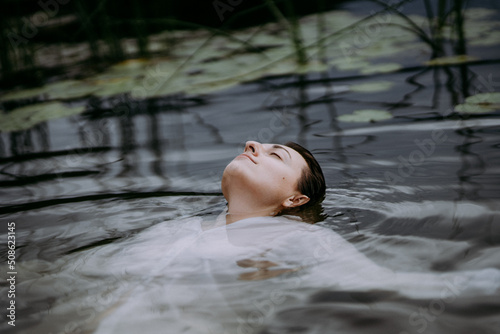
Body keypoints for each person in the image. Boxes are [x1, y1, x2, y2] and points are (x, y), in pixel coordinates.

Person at [221, 141, 326, 224]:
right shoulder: (205, 227)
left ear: (295, 200)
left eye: (276, 155)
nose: (250, 143)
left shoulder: (310, 239)